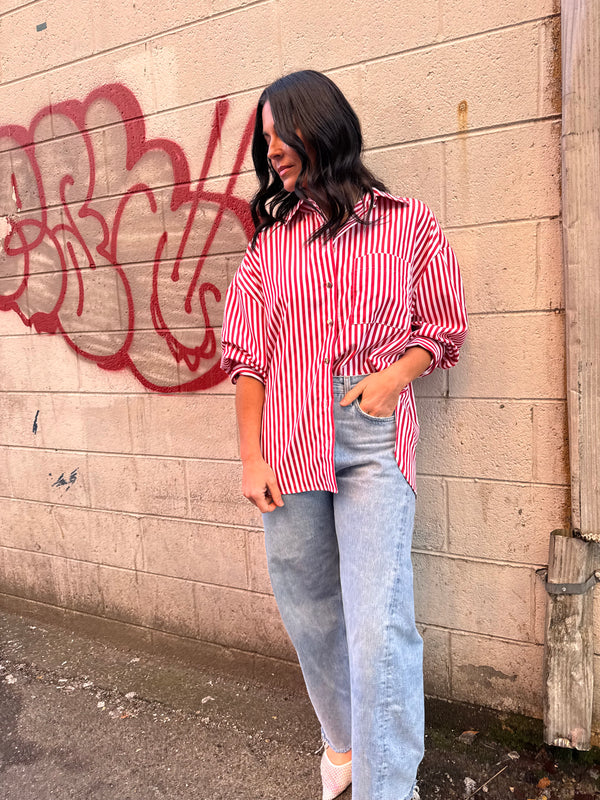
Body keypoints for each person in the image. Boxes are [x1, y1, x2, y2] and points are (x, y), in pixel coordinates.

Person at [220, 70, 468, 800]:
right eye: (262, 141)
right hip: (287, 442)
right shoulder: (270, 248)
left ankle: (387, 788)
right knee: (312, 615)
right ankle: (344, 746)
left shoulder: (409, 224)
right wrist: (250, 455)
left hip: (371, 438)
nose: (271, 153)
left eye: (279, 133)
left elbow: (443, 327)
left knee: (379, 624)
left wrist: (394, 377)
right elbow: (245, 358)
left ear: (319, 125)